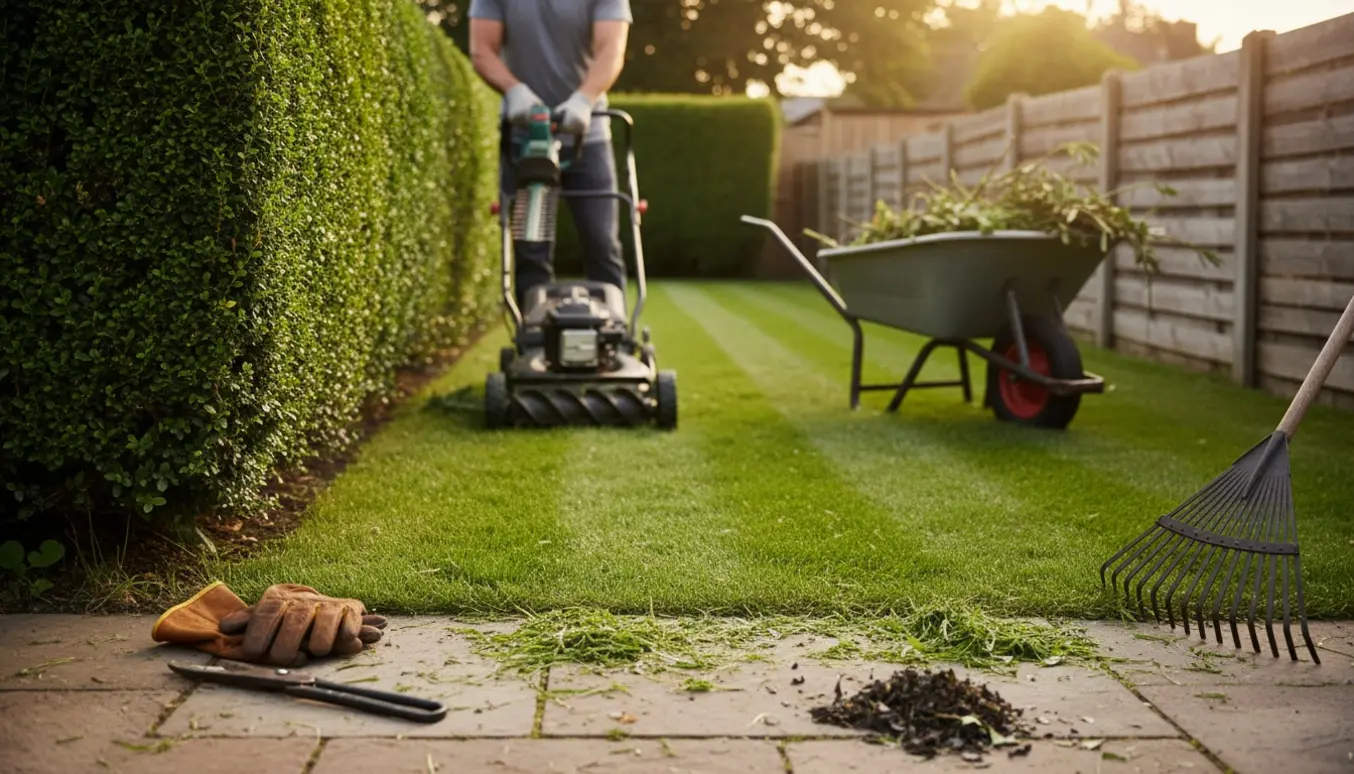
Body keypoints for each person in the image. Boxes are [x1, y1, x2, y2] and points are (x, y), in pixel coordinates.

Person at [467, 0, 632, 309]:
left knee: (602, 244)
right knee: (531, 251)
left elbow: (611, 50)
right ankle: (534, 335)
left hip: (588, 138)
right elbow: (482, 50)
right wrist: (513, 90)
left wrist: (585, 99)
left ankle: (614, 335)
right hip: (526, 141)